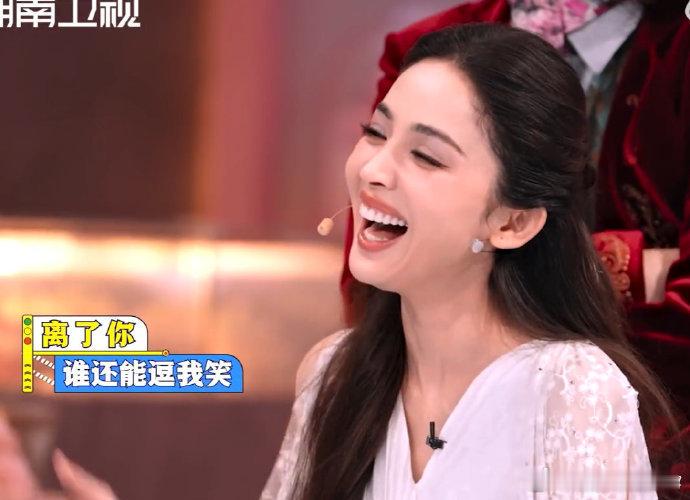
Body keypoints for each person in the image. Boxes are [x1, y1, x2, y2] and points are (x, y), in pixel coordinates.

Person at [260, 22, 682, 499]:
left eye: (426, 157)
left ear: (513, 223)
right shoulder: (331, 374)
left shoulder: (572, 392)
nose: (374, 170)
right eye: (375, 133)